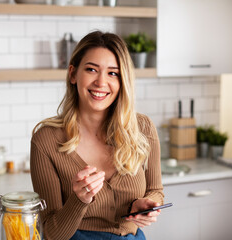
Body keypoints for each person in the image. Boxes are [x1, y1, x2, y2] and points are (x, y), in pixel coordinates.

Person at [30, 30, 164, 240]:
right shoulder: (46, 140)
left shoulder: (143, 128)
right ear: (73, 74)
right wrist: (79, 200)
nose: (101, 83)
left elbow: (156, 190)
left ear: (122, 81)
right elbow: (51, 234)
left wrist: (143, 205)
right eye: (92, 69)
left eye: (113, 73)